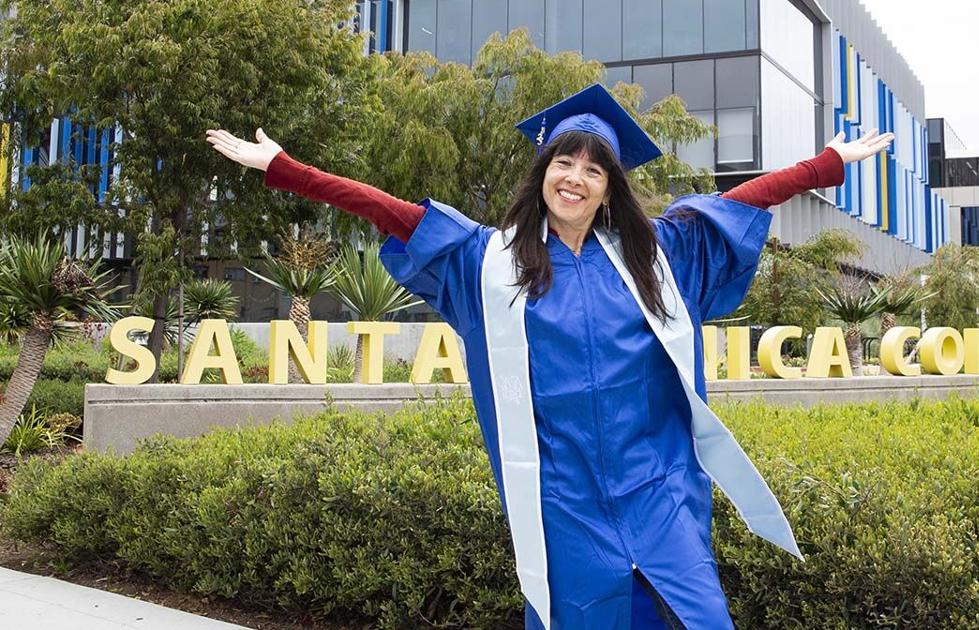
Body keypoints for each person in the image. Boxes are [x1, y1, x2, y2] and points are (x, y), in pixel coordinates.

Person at [207, 83, 892, 630]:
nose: (577, 177)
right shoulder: (487, 265)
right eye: (565, 161)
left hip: (657, 488)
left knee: (698, 616)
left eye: (595, 169)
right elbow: (395, 214)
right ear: (543, 171)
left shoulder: (656, 256)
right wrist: (287, 171)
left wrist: (823, 165)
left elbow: (739, 201)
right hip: (562, 499)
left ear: (609, 188)